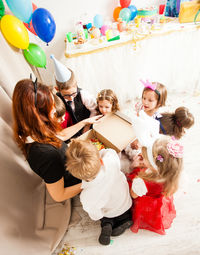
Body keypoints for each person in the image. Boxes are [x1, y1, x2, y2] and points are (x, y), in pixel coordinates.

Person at [12, 78, 102, 202]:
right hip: (80, 178)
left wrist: (84, 122)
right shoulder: (46, 155)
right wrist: (91, 182)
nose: (55, 109)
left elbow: (61, 136)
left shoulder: (33, 129)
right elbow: (59, 195)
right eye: (51, 105)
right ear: (38, 114)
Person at [66, 139, 133, 245]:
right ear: (100, 160)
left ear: (77, 175)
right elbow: (110, 151)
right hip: (124, 202)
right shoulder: (110, 160)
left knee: (104, 217)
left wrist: (101, 216)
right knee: (124, 213)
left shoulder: (86, 196)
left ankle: (107, 224)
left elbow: (95, 214)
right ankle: (125, 220)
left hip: (109, 212)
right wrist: (98, 154)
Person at [127, 135, 183, 235]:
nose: (141, 157)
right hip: (159, 198)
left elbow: (133, 195)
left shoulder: (141, 180)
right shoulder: (171, 173)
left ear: (152, 165)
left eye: (144, 157)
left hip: (146, 202)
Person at [50, 55, 97, 135]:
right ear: (57, 89)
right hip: (70, 131)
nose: (71, 98)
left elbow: (94, 110)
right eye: (66, 95)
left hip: (88, 127)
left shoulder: (84, 95)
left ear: (76, 85)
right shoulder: (57, 99)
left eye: (74, 93)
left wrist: (87, 126)